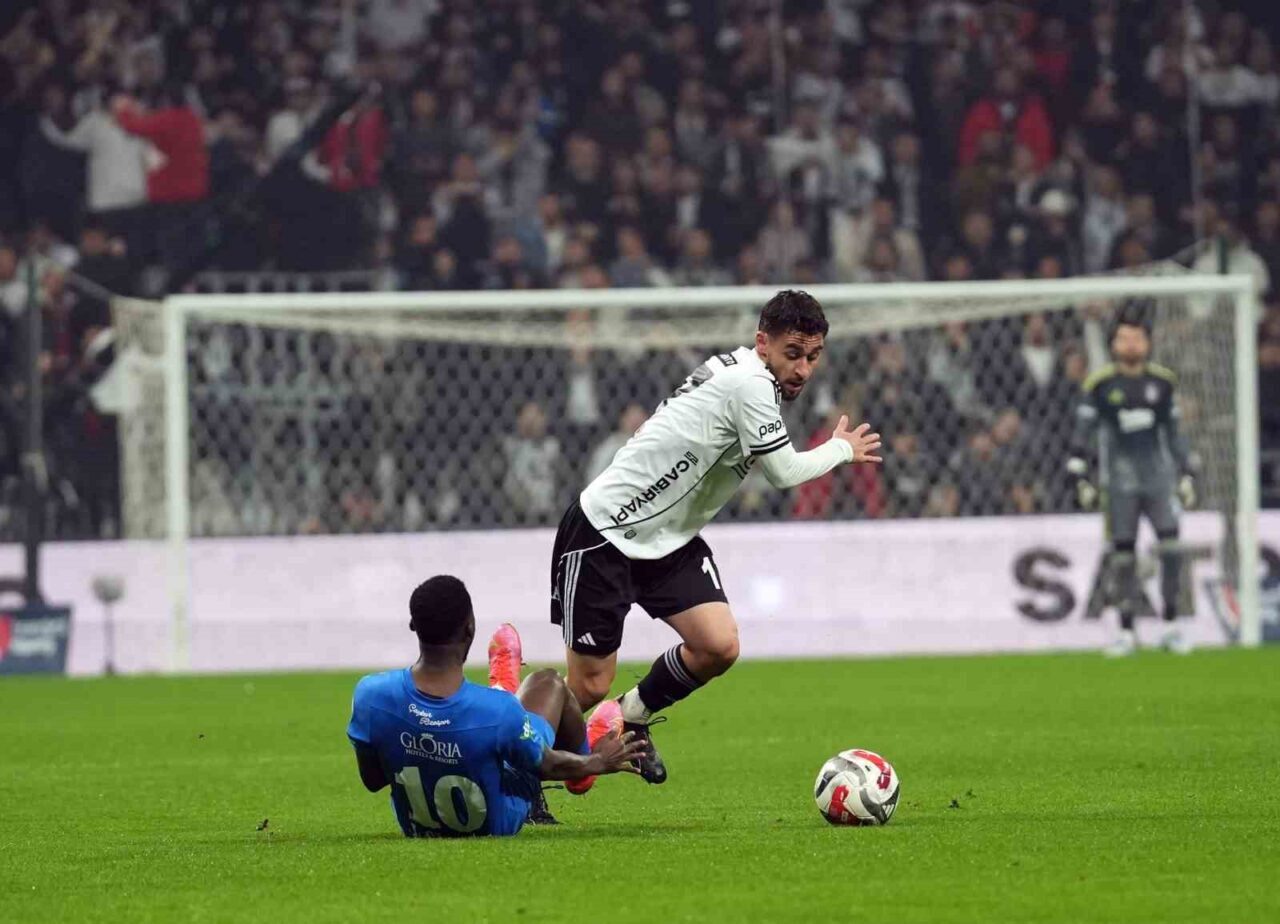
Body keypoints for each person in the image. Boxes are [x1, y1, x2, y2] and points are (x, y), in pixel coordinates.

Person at [549, 290, 882, 785]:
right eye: (793, 353)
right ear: (763, 343)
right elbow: (784, 473)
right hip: (606, 533)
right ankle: (514, 764)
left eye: (813, 356)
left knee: (718, 645)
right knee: (589, 684)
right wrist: (840, 449)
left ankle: (630, 716)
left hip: (668, 538)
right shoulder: (750, 384)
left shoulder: (748, 375)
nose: (803, 369)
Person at [347, 575, 645, 837]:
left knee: (496, 732)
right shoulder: (499, 713)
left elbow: (373, 780)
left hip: (417, 825)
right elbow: (547, 765)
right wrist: (598, 761)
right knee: (549, 682)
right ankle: (581, 773)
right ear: (470, 629)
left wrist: (425, 750)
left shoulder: (371, 694)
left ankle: (504, 684)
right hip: (501, 816)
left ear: (413, 625)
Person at [1067, 309, 1198, 657]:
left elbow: (1175, 433)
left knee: (1172, 550)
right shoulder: (1101, 385)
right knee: (1122, 557)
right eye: (1124, 338)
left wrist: (1187, 472)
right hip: (1119, 484)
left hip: (1159, 481)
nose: (1130, 344)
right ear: (1113, 344)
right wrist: (1080, 476)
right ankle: (1126, 631)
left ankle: (1171, 625)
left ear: (1147, 343)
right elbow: (1083, 434)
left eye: (1137, 338)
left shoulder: (1163, 383)